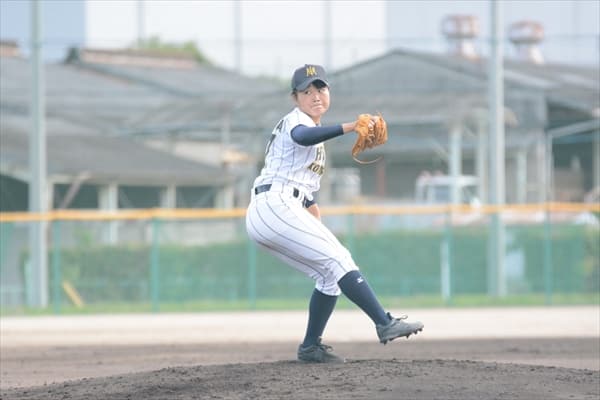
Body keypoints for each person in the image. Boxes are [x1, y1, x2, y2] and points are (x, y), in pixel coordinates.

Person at [245, 64, 424, 363]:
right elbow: (302, 137)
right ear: (295, 97)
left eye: (321, 89)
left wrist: (318, 228)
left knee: (328, 275)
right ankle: (384, 323)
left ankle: (311, 347)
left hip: (278, 209)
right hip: (273, 205)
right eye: (307, 91)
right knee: (339, 258)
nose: (315, 95)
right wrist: (351, 126)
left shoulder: (315, 136)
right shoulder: (297, 121)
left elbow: (307, 196)